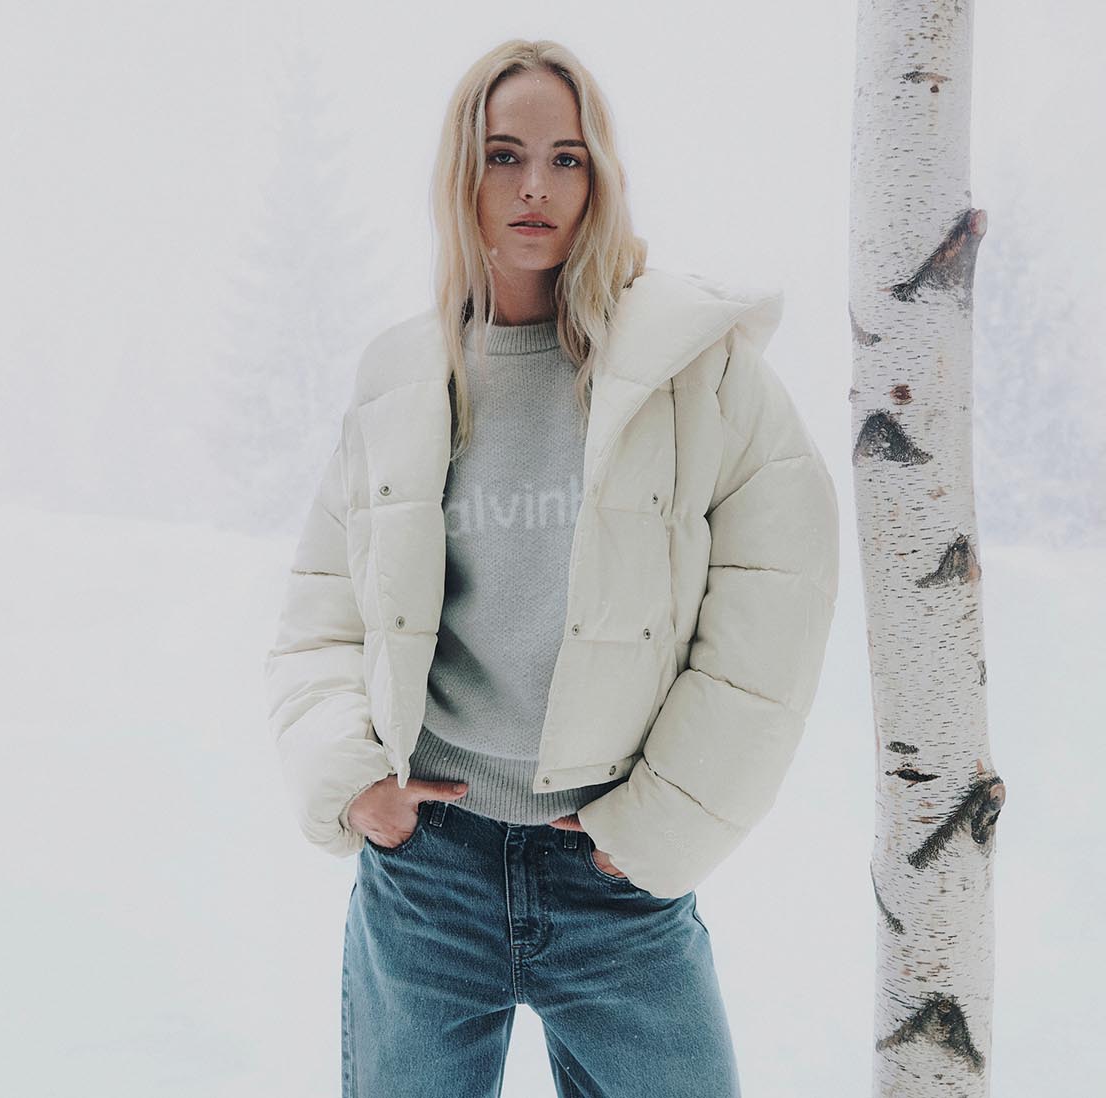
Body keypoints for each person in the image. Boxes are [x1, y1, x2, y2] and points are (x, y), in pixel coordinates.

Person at [264, 38, 840, 1098]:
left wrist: (661, 819)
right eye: (503, 154)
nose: (535, 186)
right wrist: (353, 784)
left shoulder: (694, 368)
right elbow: (320, 616)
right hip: (427, 877)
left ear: (599, 176)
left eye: (566, 157)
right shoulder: (397, 378)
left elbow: (776, 610)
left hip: (614, 879)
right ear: (461, 173)